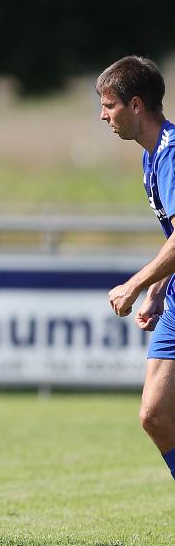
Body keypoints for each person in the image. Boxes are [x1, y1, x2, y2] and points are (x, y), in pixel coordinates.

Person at [99, 56, 175, 482]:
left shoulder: (171, 155)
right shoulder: (151, 158)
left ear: (137, 105)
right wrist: (159, 287)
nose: (103, 115)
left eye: (109, 105)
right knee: (155, 416)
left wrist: (134, 284)